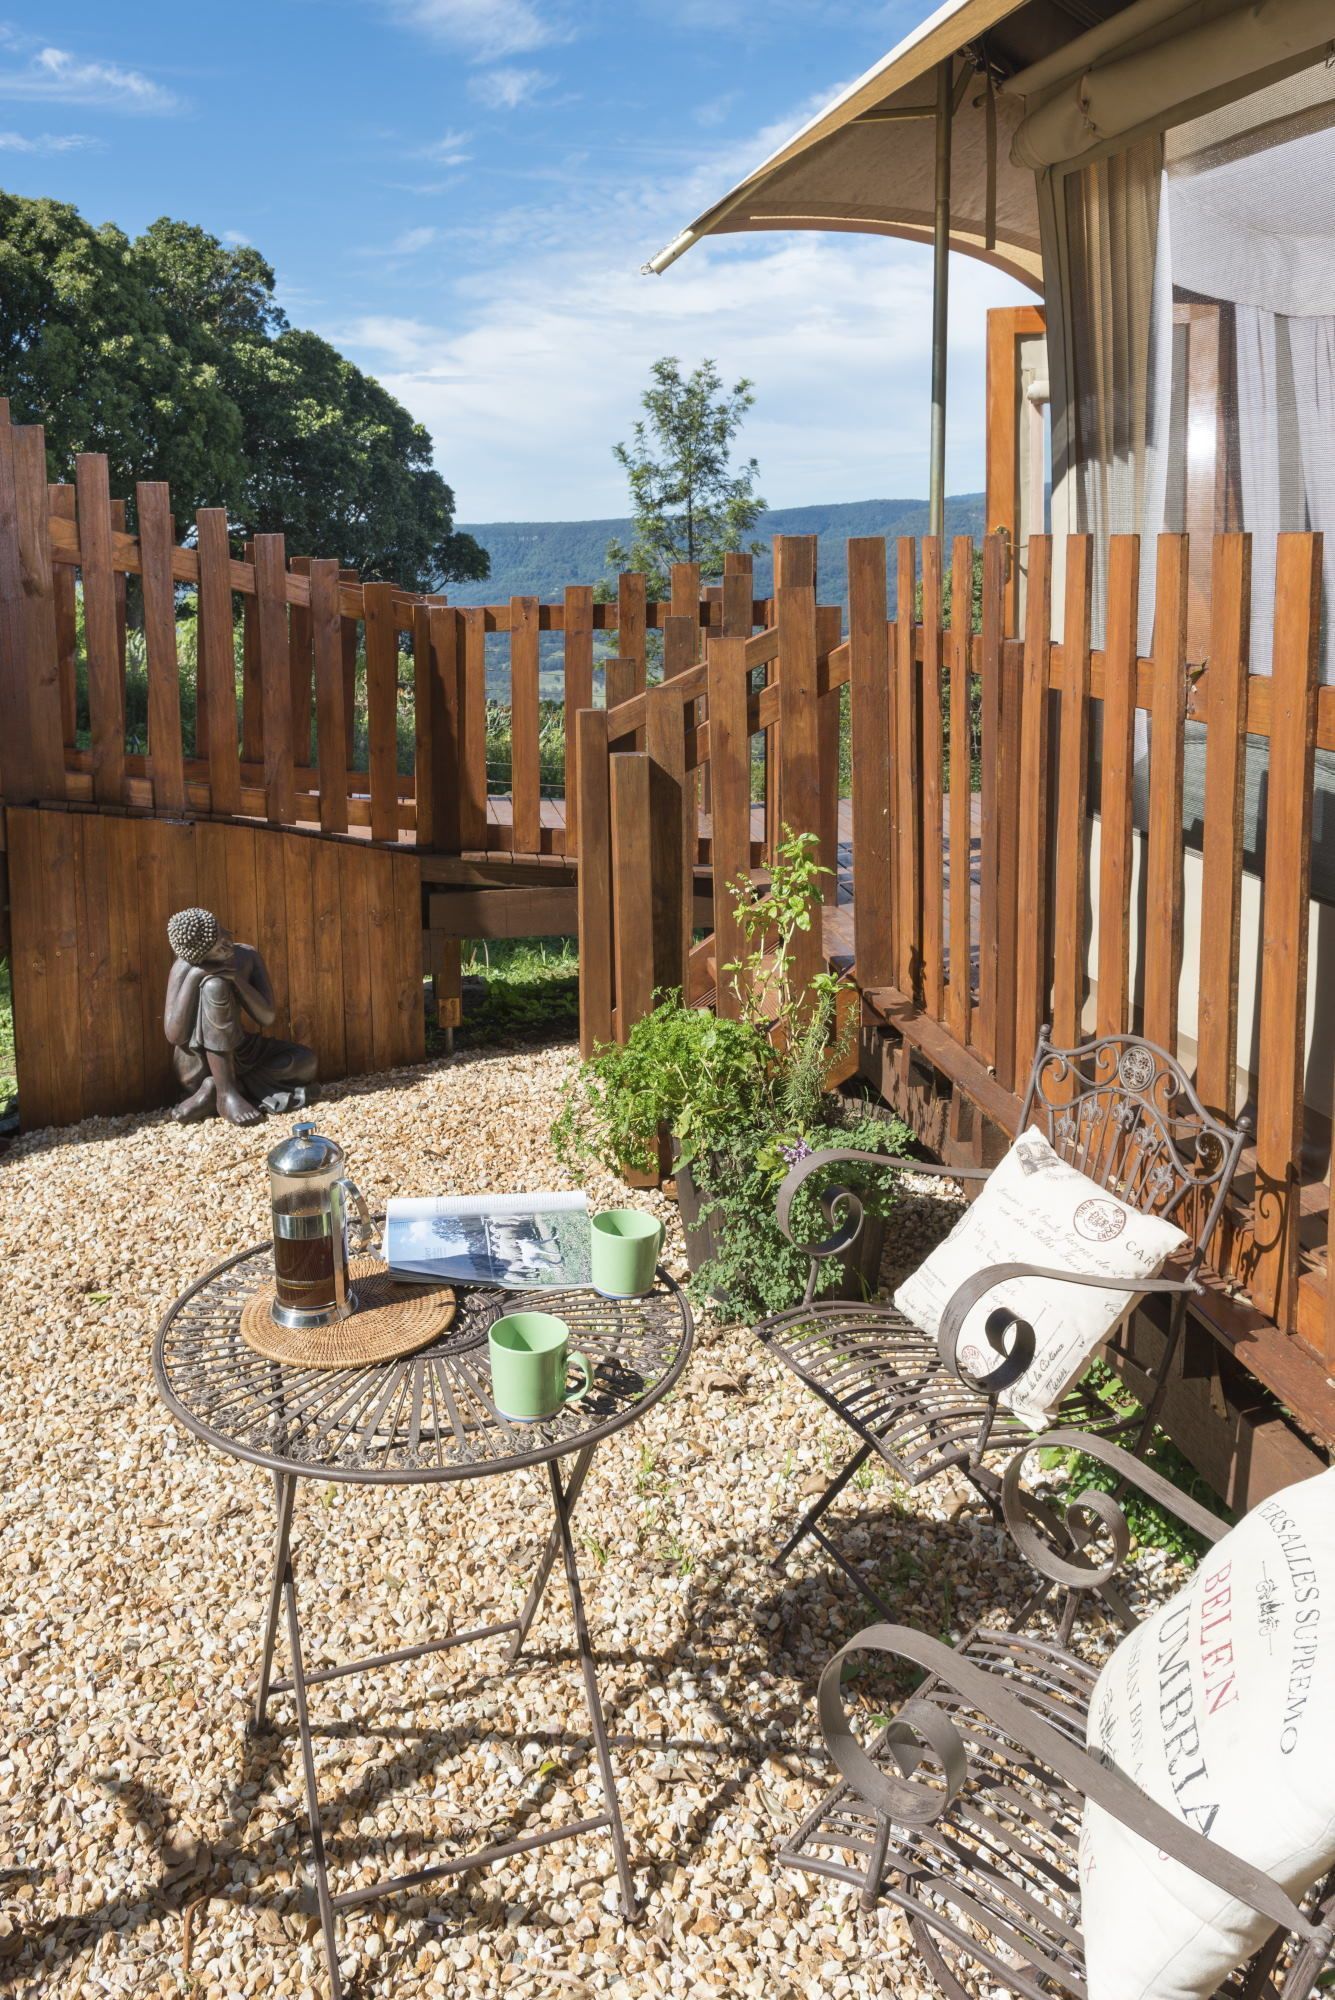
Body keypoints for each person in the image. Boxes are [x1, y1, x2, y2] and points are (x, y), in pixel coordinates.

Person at [164, 907, 317, 1126]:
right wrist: (197, 975)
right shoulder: (184, 967)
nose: (227, 945)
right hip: (197, 1062)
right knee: (214, 985)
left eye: (223, 935)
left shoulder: (247, 955)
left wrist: (237, 980)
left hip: (240, 1048)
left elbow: (267, 1017)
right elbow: (175, 1036)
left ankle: (218, 1089)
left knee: (306, 1061)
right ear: (200, 957)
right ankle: (226, 1093)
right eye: (217, 949)